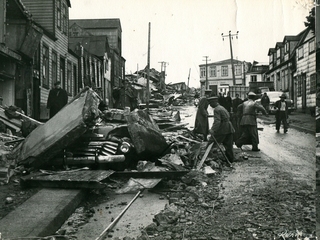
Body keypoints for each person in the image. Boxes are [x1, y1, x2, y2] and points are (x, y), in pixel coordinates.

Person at [207, 96, 235, 163]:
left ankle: (206, 157)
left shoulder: (216, 109)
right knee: (228, 145)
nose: (210, 105)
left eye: (210, 103)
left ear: (214, 102)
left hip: (223, 129)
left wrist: (212, 130)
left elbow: (217, 121)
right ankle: (231, 159)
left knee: (211, 142)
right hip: (229, 127)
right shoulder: (222, 107)